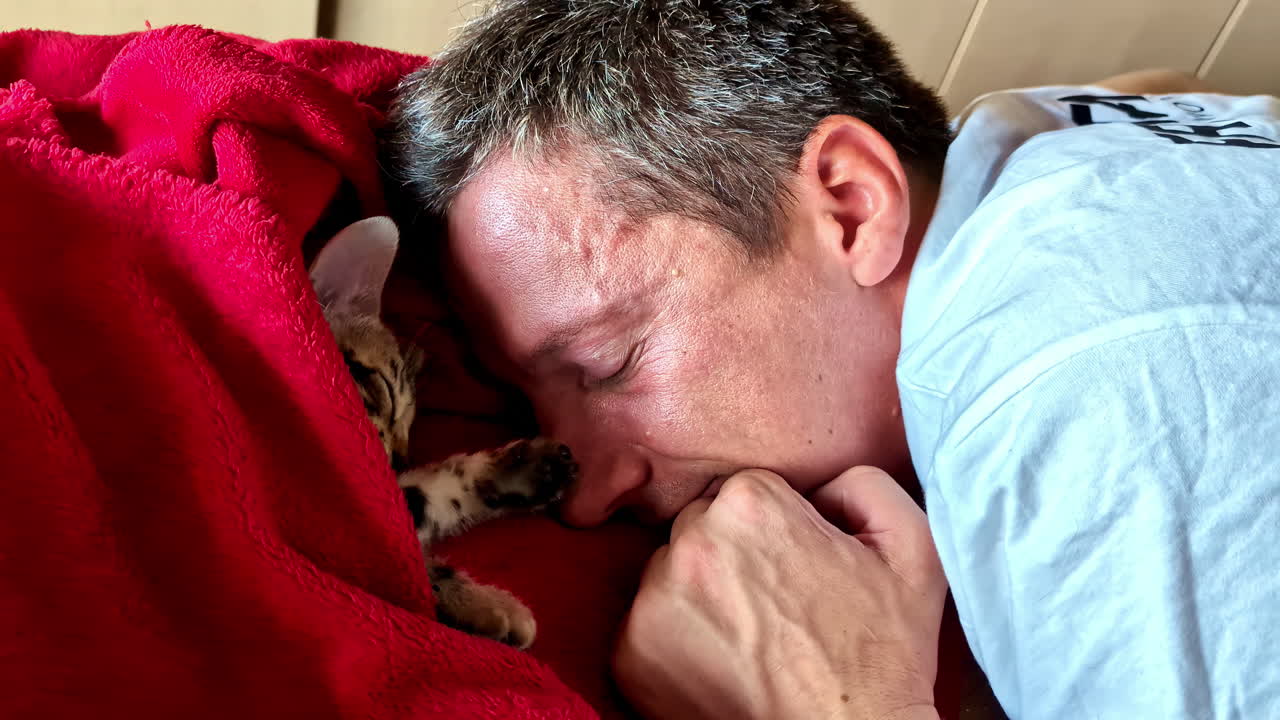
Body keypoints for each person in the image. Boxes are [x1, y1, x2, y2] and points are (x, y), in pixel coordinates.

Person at [389, 1, 1280, 718]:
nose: (584, 499)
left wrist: (836, 700)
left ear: (853, 207)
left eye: (611, 362)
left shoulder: (1096, 387)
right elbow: (1171, 80)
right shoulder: (1011, 138)